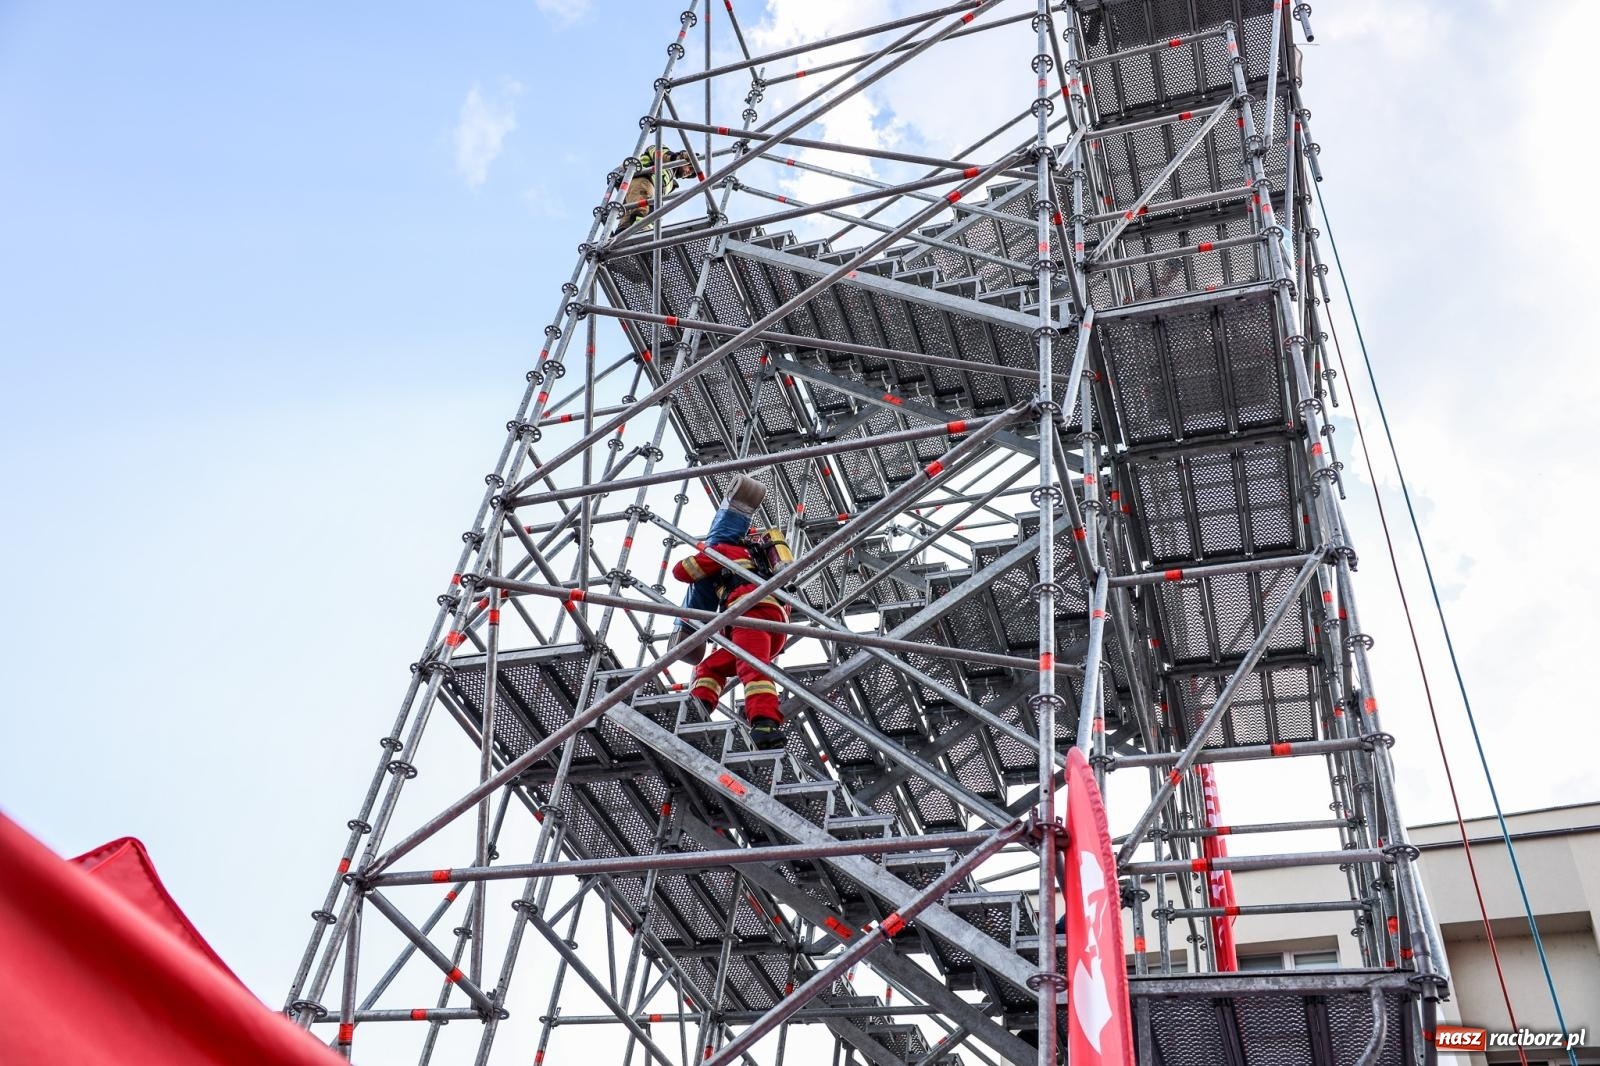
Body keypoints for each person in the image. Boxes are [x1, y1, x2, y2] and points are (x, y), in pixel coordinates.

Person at [671, 476, 791, 750]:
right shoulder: (761, 560)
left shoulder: (727, 550)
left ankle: (765, 724)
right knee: (711, 666)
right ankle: (698, 707)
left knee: (752, 666)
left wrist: (707, 550)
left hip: (748, 614)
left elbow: (682, 572)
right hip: (773, 624)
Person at [620, 147, 695, 228]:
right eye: (690, 168)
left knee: (627, 220)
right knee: (642, 212)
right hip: (644, 181)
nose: (689, 173)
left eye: (691, 173)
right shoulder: (666, 161)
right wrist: (677, 158)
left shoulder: (671, 180)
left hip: (639, 190)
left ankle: (622, 235)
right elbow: (660, 153)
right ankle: (642, 229)